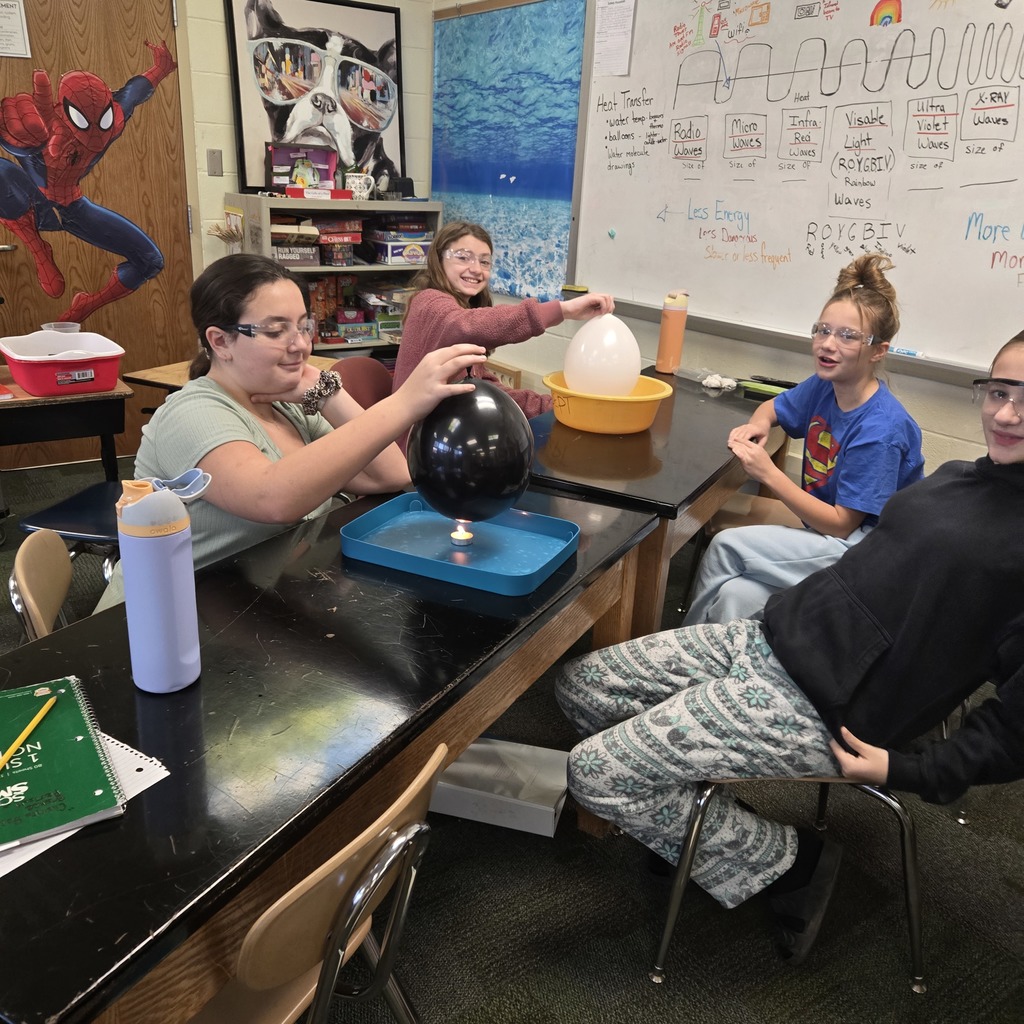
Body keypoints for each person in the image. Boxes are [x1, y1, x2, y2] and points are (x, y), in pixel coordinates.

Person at [556, 333, 1024, 965]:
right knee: (582, 685)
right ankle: (700, 828)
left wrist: (906, 769)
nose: (1004, 415)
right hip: (774, 640)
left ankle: (796, 863)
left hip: (829, 706)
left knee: (595, 771)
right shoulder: (966, 476)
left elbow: (1017, 732)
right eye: (999, 391)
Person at [132, 252, 487, 570]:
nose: (301, 345)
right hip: (173, 617)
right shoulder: (191, 413)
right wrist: (405, 403)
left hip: (254, 602)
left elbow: (391, 474)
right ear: (221, 341)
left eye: (304, 326)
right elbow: (272, 498)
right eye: (275, 331)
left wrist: (328, 393)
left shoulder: (288, 402)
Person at [684, 253, 924, 626]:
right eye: (823, 330)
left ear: (878, 350)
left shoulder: (880, 430)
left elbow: (842, 524)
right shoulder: (825, 386)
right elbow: (772, 408)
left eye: (848, 336)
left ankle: (678, 653)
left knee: (726, 546)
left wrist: (768, 474)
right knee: (736, 596)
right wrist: (758, 423)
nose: (828, 344)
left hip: (866, 551)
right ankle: (728, 673)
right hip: (827, 535)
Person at [392, 220, 614, 437]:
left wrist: (554, 406)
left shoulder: (459, 308)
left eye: (485, 262)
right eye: (463, 257)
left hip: (450, 436)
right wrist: (563, 310)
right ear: (438, 259)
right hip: (417, 451)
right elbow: (468, 325)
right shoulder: (429, 302)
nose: (476, 269)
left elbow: (485, 388)